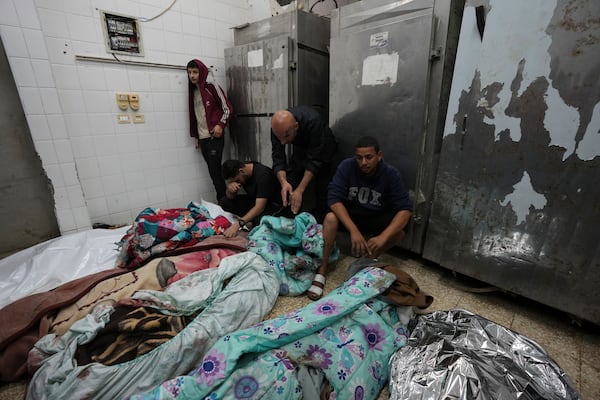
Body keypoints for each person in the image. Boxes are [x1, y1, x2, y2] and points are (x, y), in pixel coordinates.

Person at [307, 135, 413, 300]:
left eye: (369, 157)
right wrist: (353, 231)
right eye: (359, 157)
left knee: (401, 229)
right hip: (351, 215)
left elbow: (405, 210)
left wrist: (382, 238)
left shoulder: (390, 174)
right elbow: (333, 199)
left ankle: (367, 259)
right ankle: (323, 268)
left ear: (379, 156)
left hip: (376, 217)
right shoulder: (347, 166)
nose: (363, 162)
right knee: (330, 217)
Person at [271, 106, 337, 222]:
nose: (283, 142)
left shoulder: (313, 121)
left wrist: (300, 190)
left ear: (296, 126)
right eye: (279, 137)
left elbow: (315, 161)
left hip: (324, 149)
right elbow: (278, 158)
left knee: (323, 190)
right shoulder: (278, 128)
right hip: (300, 149)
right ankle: (290, 223)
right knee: (290, 185)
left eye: (286, 136)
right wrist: (284, 183)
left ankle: (320, 227)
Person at [187, 59, 233, 200]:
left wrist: (220, 125)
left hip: (214, 136)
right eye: (189, 72)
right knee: (213, 172)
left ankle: (223, 202)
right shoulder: (192, 92)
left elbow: (228, 108)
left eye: (195, 72)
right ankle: (227, 200)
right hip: (203, 138)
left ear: (202, 72)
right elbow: (195, 115)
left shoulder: (211, 87)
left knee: (214, 172)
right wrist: (196, 136)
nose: (192, 75)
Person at [219, 159, 281, 238]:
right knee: (225, 202)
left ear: (241, 171)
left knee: (258, 223)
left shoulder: (263, 175)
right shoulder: (244, 170)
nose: (238, 183)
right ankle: (249, 219)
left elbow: (259, 208)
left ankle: (250, 221)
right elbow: (230, 197)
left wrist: (238, 224)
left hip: (272, 205)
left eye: (237, 180)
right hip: (255, 200)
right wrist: (230, 190)